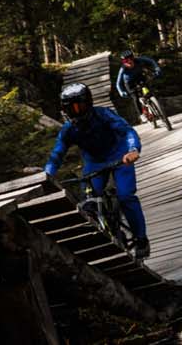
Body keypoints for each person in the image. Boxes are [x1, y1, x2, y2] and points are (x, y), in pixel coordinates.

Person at [43, 81, 150, 258]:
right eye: (71, 108)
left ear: (89, 103)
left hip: (120, 156)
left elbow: (127, 131)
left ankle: (141, 239)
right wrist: (48, 176)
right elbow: (57, 154)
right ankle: (106, 236)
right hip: (94, 163)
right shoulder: (68, 130)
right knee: (88, 204)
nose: (76, 111)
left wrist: (133, 150)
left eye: (80, 106)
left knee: (125, 196)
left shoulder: (103, 114)